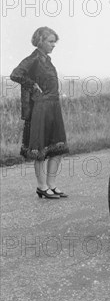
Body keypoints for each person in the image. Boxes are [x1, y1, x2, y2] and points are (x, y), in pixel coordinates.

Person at [10, 27, 69, 199]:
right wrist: (32, 85)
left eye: (54, 42)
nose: (53, 45)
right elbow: (15, 74)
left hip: (53, 107)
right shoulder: (34, 58)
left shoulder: (47, 60)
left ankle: (51, 185)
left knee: (57, 148)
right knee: (41, 149)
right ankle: (42, 186)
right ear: (40, 41)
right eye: (50, 41)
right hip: (41, 107)